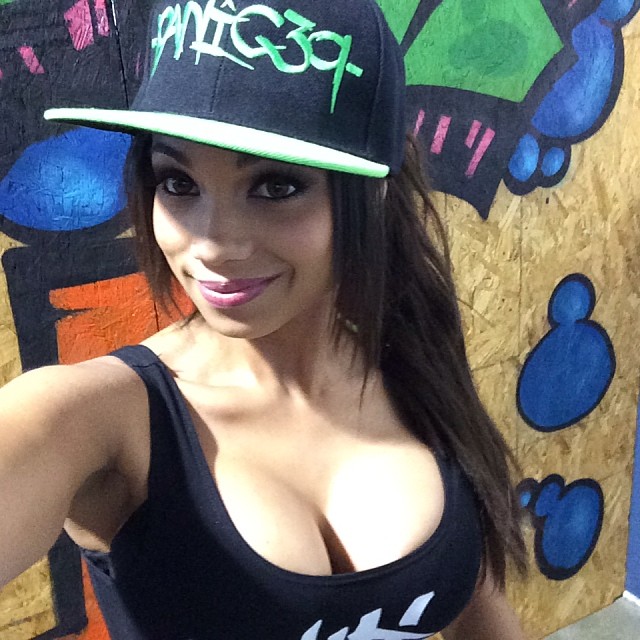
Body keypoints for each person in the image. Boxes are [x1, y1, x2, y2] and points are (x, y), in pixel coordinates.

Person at [1, 0, 528, 637]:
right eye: (178, 183)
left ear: (374, 192)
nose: (213, 244)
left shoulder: (413, 361)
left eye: (276, 186)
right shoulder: (98, 420)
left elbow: (479, 610)